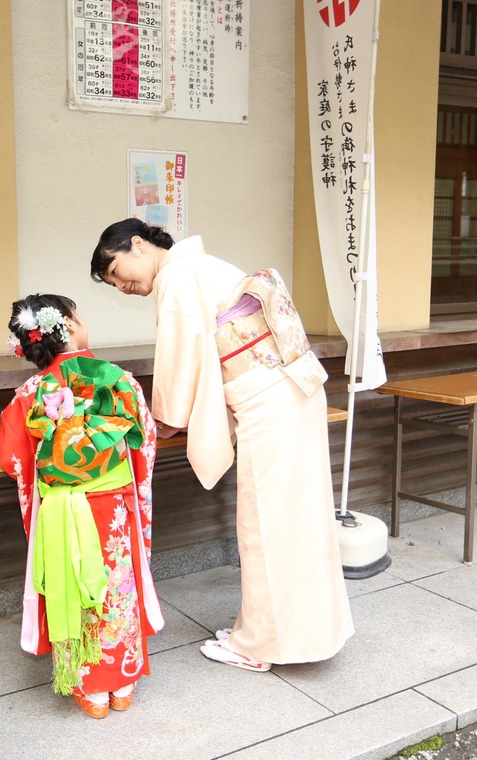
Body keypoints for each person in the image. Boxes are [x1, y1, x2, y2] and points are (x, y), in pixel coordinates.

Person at [89, 218, 353, 673]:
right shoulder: (202, 267)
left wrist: (164, 421)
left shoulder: (178, 275)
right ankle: (292, 631)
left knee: (266, 524)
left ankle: (259, 646)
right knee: (298, 519)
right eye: (113, 285)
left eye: (117, 272)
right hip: (291, 390)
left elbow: (180, 355)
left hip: (269, 399)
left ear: (137, 244)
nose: (122, 286)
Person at [0, 293, 164, 719]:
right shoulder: (118, 379)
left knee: (72, 588)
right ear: (69, 326)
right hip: (113, 509)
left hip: (60, 512)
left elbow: (12, 458)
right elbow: (144, 440)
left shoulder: (29, 392)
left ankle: (90, 690)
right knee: (116, 586)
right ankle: (122, 683)